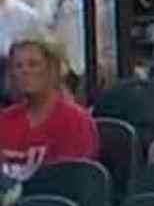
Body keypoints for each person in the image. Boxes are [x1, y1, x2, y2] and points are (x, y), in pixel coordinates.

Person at [0, 33, 98, 194]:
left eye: (33, 64)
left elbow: (72, 182)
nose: (25, 71)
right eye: (18, 66)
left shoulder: (76, 121)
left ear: (53, 69)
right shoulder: (4, 120)